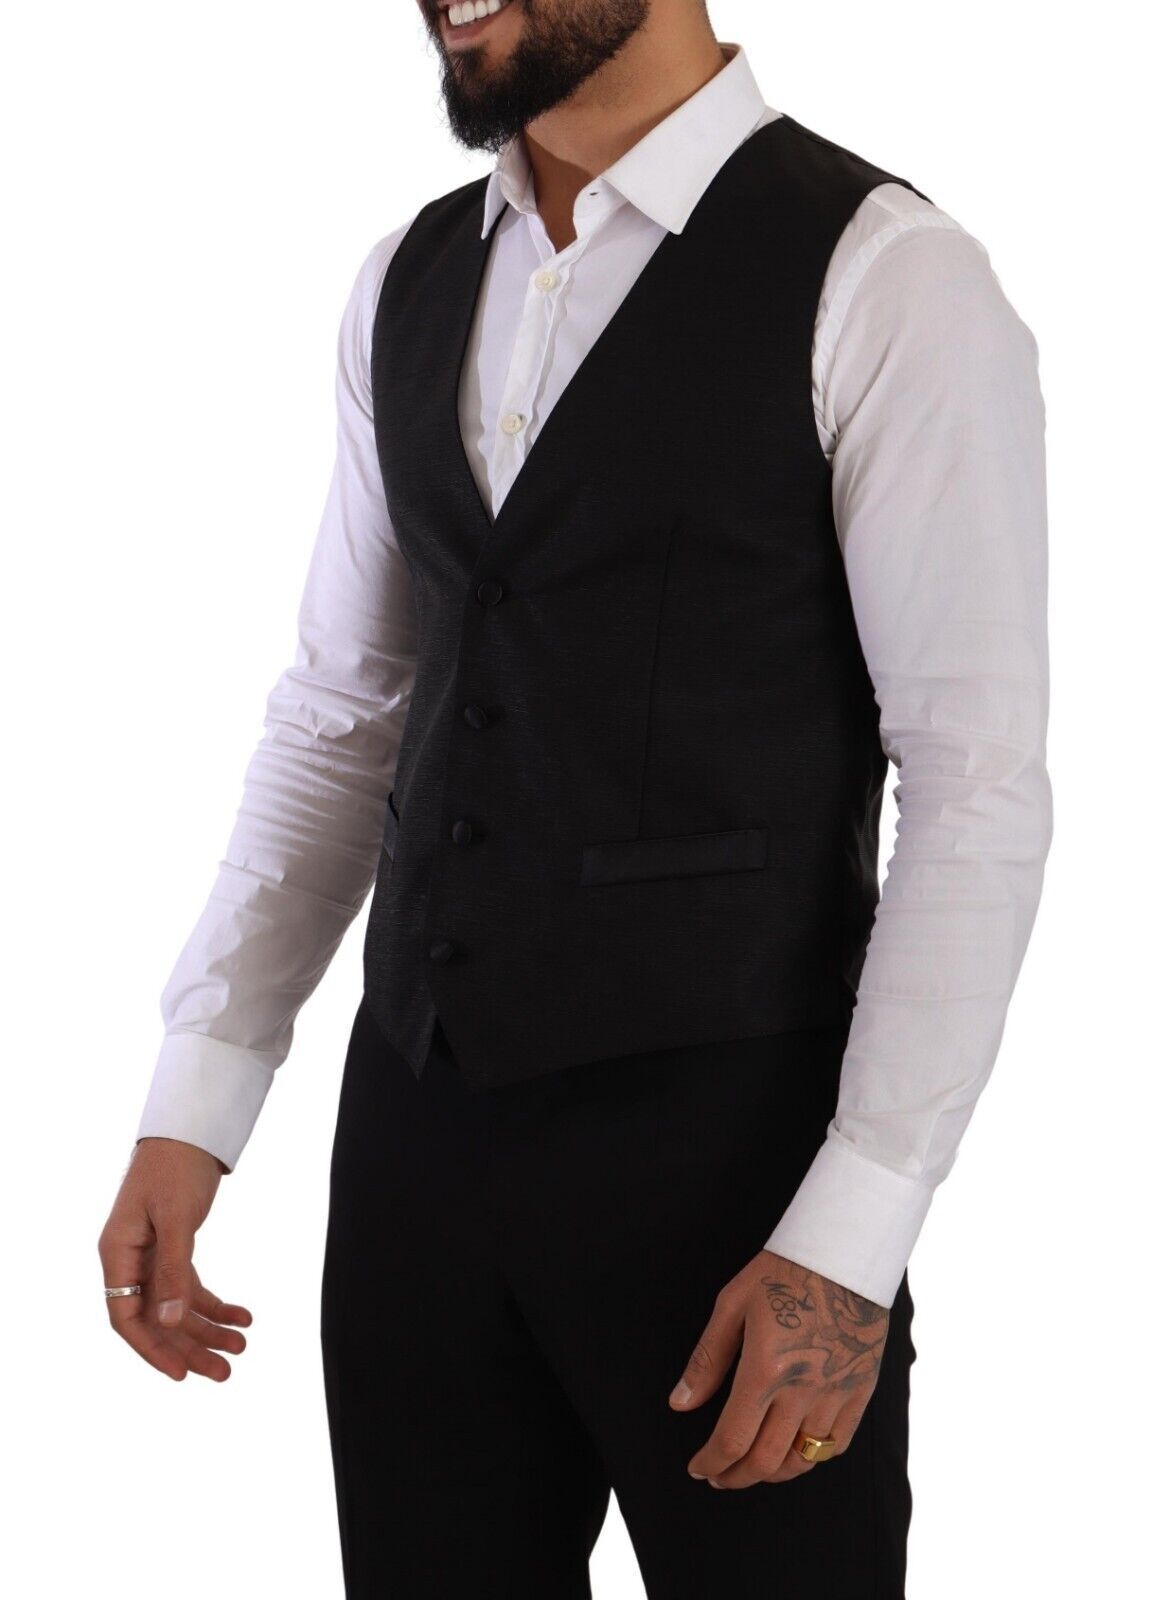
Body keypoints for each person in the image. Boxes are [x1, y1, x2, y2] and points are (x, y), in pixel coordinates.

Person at [98, 2, 1052, 1595]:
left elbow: (974, 786)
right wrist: (198, 1092)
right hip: (414, 1148)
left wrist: (853, 1235)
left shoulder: (887, 275)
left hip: (736, 1169)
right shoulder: (405, 277)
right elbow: (342, 708)